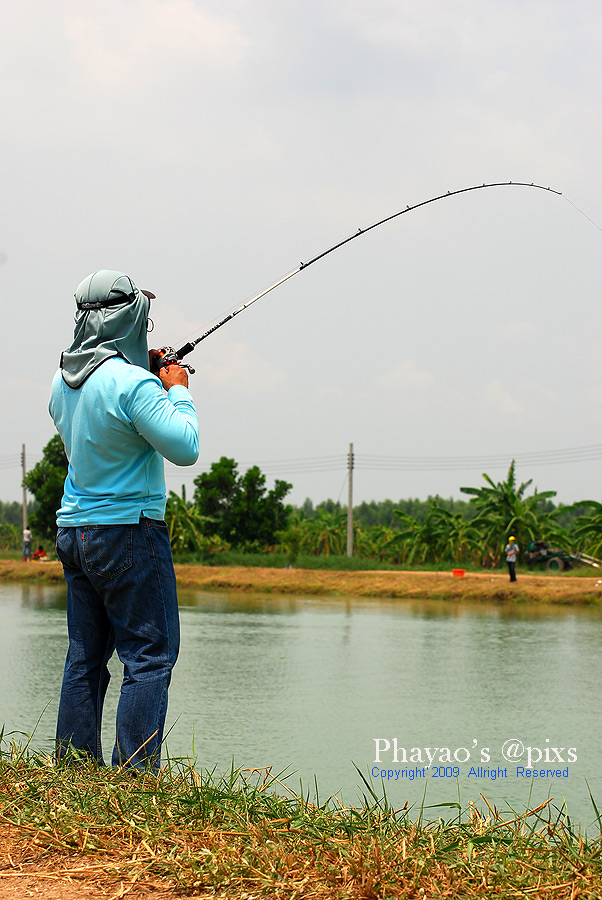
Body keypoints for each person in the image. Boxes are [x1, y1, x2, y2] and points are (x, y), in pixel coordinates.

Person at [49, 270, 199, 772]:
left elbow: (103, 419)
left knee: (85, 657)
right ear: (133, 319)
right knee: (149, 656)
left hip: (74, 531)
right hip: (129, 533)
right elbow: (185, 447)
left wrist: (142, 371)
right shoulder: (133, 383)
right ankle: (134, 778)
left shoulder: (61, 382)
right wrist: (175, 388)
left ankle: (73, 769)